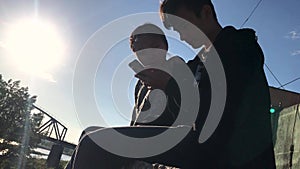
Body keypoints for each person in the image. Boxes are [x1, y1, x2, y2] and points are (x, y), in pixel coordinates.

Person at [65, 23, 202, 169]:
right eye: (142, 52)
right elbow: (135, 123)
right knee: (88, 132)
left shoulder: (180, 69)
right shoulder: (141, 85)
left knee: (91, 141)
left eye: (154, 45)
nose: (150, 53)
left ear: (165, 46)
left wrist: (167, 85)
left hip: (167, 142)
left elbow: (191, 115)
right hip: (140, 143)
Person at [159, 0, 276, 168]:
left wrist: (171, 85)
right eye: (177, 31)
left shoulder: (239, 48)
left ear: (206, 12)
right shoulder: (198, 64)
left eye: (183, 27)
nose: (182, 37)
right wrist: (167, 86)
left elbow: (219, 115)